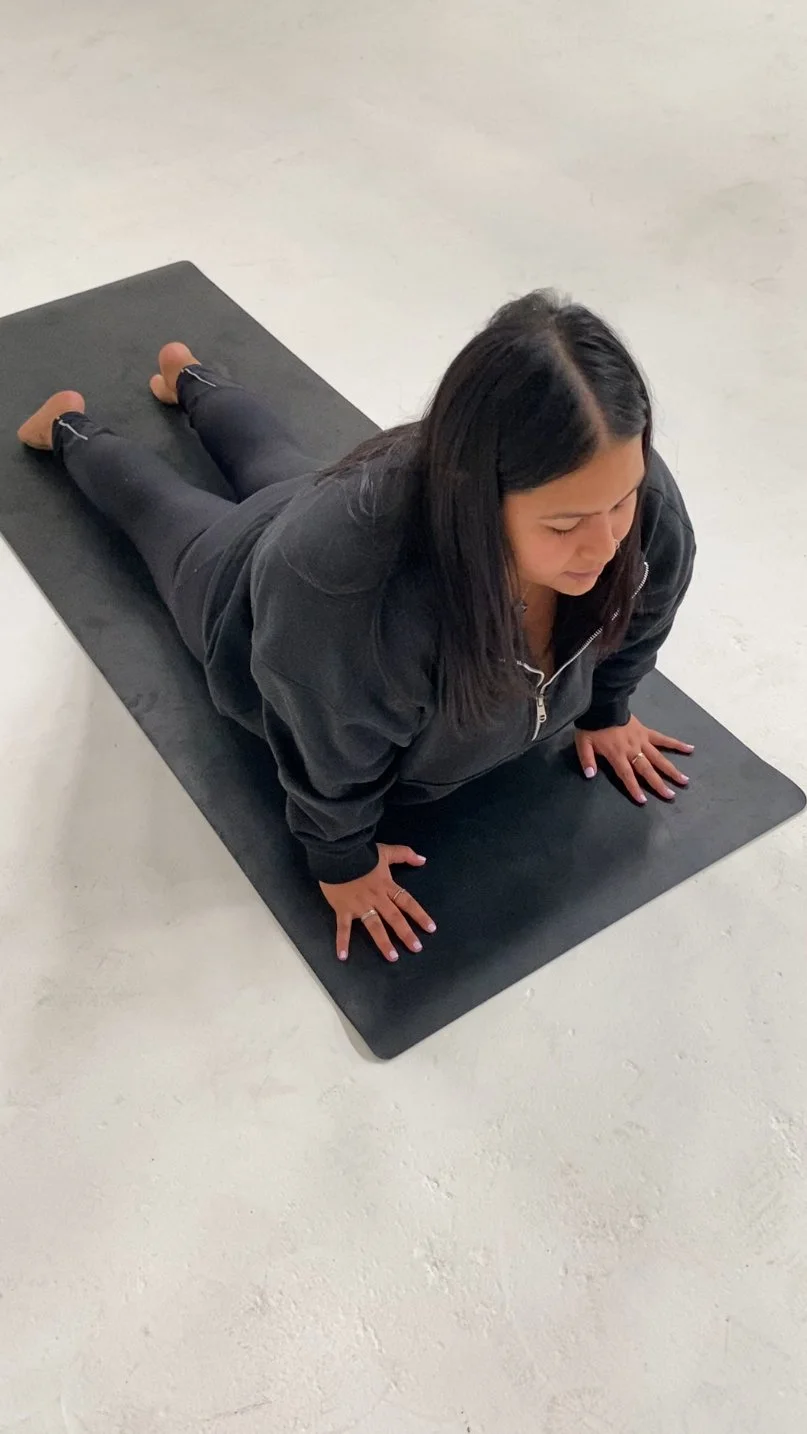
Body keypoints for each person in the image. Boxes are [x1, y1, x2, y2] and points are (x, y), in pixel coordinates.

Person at [18, 291, 695, 964]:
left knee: (271, 460)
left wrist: (607, 708)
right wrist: (339, 859)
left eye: (620, 502)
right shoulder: (344, 597)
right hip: (242, 578)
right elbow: (325, 751)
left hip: (327, 512)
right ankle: (68, 428)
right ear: (473, 497)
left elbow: (645, 608)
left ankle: (186, 374)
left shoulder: (621, 486)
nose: (604, 543)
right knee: (160, 510)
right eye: (563, 524)